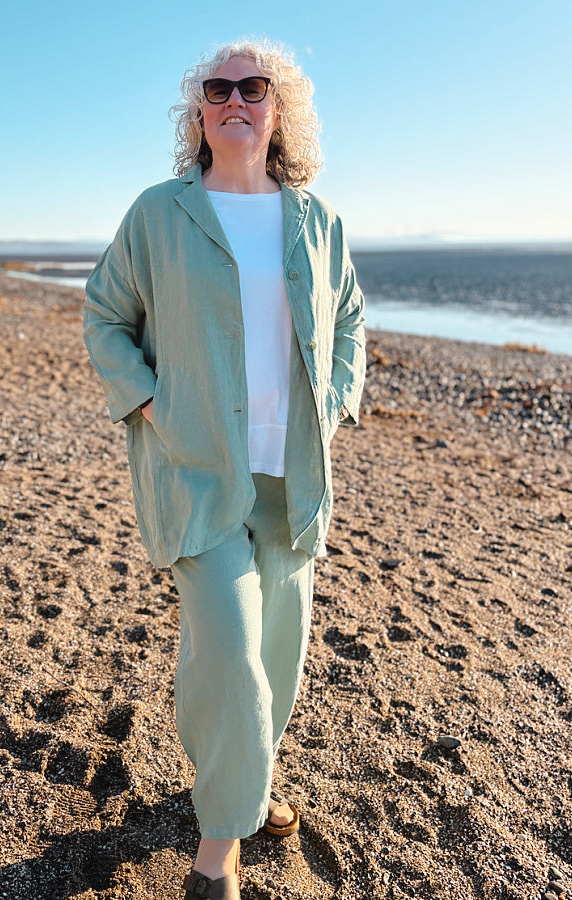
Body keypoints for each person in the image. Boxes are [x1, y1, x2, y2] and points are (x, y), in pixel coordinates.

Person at [83, 39, 366, 900]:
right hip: (198, 473)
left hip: (294, 478)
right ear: (199, 111)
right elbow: (106, 316)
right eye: (218, 88)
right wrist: (153, 407)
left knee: (278, 655)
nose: (235, 98)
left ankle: (245, 782)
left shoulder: (316, 219)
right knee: (232, 655)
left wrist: (339, 397)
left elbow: (349, 315)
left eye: (255, 86)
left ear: (279, 109)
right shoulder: (161, 213)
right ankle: (218, 851)